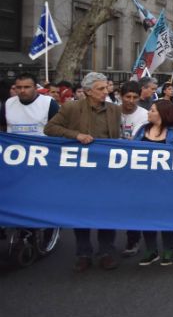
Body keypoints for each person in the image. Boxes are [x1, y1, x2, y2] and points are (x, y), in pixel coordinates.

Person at [44, 72, 122, 272]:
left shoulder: (114, 110)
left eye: (106, 88)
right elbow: (50, 129)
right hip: (80, 171)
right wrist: (75, 135)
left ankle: (106, 251)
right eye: (101, 89)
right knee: (82, 211)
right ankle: (83, 253)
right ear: (87, 92)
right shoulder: (71, 108)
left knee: (106, 211)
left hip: (106, 171)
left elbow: (117, 136)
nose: (106, 91)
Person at [132, 100, 173, 266]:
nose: (149, 112)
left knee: (165, 215)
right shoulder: (143, 130)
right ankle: (151, 249)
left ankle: (168, 249)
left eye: (153, 110)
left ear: (163, 113)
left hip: (168, 183)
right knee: (146, 215)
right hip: (144, 181)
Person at [118, 80, 148, 258]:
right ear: (120, 96)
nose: (130, 101)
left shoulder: (144, 115)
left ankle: (133, 239)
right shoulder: (113, 112)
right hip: (114, 166)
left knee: (133, 203)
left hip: (135, 167)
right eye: (127, 97)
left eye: (135, 97)